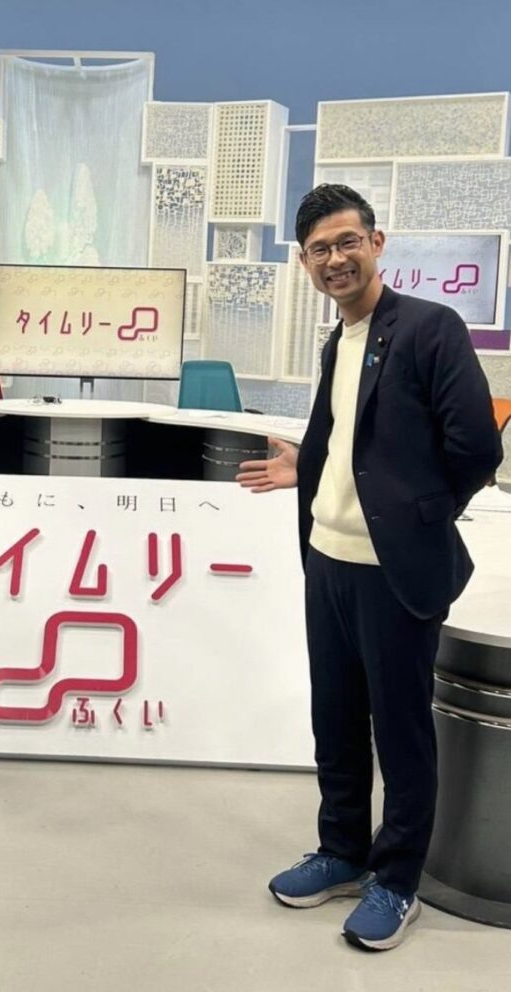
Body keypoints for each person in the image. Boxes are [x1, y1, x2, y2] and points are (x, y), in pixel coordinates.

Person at [236, 184, 502, 951]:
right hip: (328, 561)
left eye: (347, 241)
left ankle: (397, 880)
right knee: (337, 718)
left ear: (376, 243)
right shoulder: (338, 340)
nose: (335, 259)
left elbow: (477, 449)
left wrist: (419, 516)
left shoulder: (429, 328)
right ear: (305, 262)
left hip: (393, 572)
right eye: (319, 249)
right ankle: (343, 850)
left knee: (401, 732)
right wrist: (309, 468)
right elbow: (351, 438)